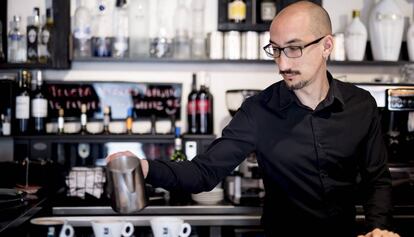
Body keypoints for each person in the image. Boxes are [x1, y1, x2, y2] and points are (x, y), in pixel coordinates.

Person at [107, 1, 400, 236]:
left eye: (294, 49)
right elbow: (203, 173)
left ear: (326, 46)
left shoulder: (360, 105)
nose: (283, 63)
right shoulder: (258, 111)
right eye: (275, 50)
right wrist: (144, 167)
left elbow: (377, 180)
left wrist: (378, 227)